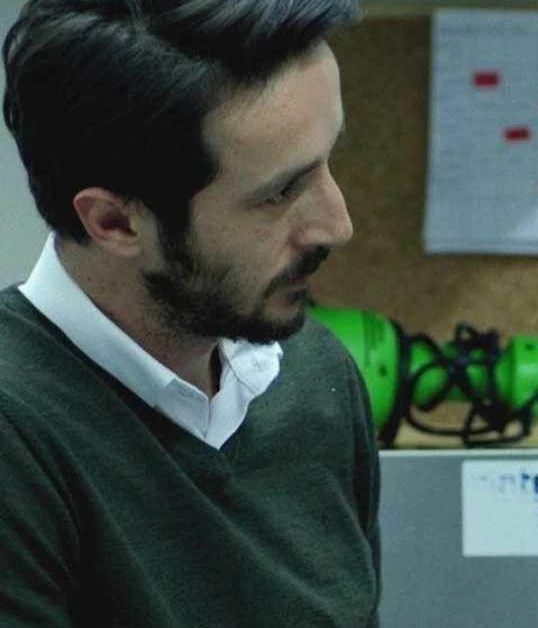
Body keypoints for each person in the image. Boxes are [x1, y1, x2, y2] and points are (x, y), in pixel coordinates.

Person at [0, 1, 380, 626]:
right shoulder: (19, 436)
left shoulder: (316, 377)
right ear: (115, 222)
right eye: (281, 192)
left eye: (328, 161)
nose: (337, 224)